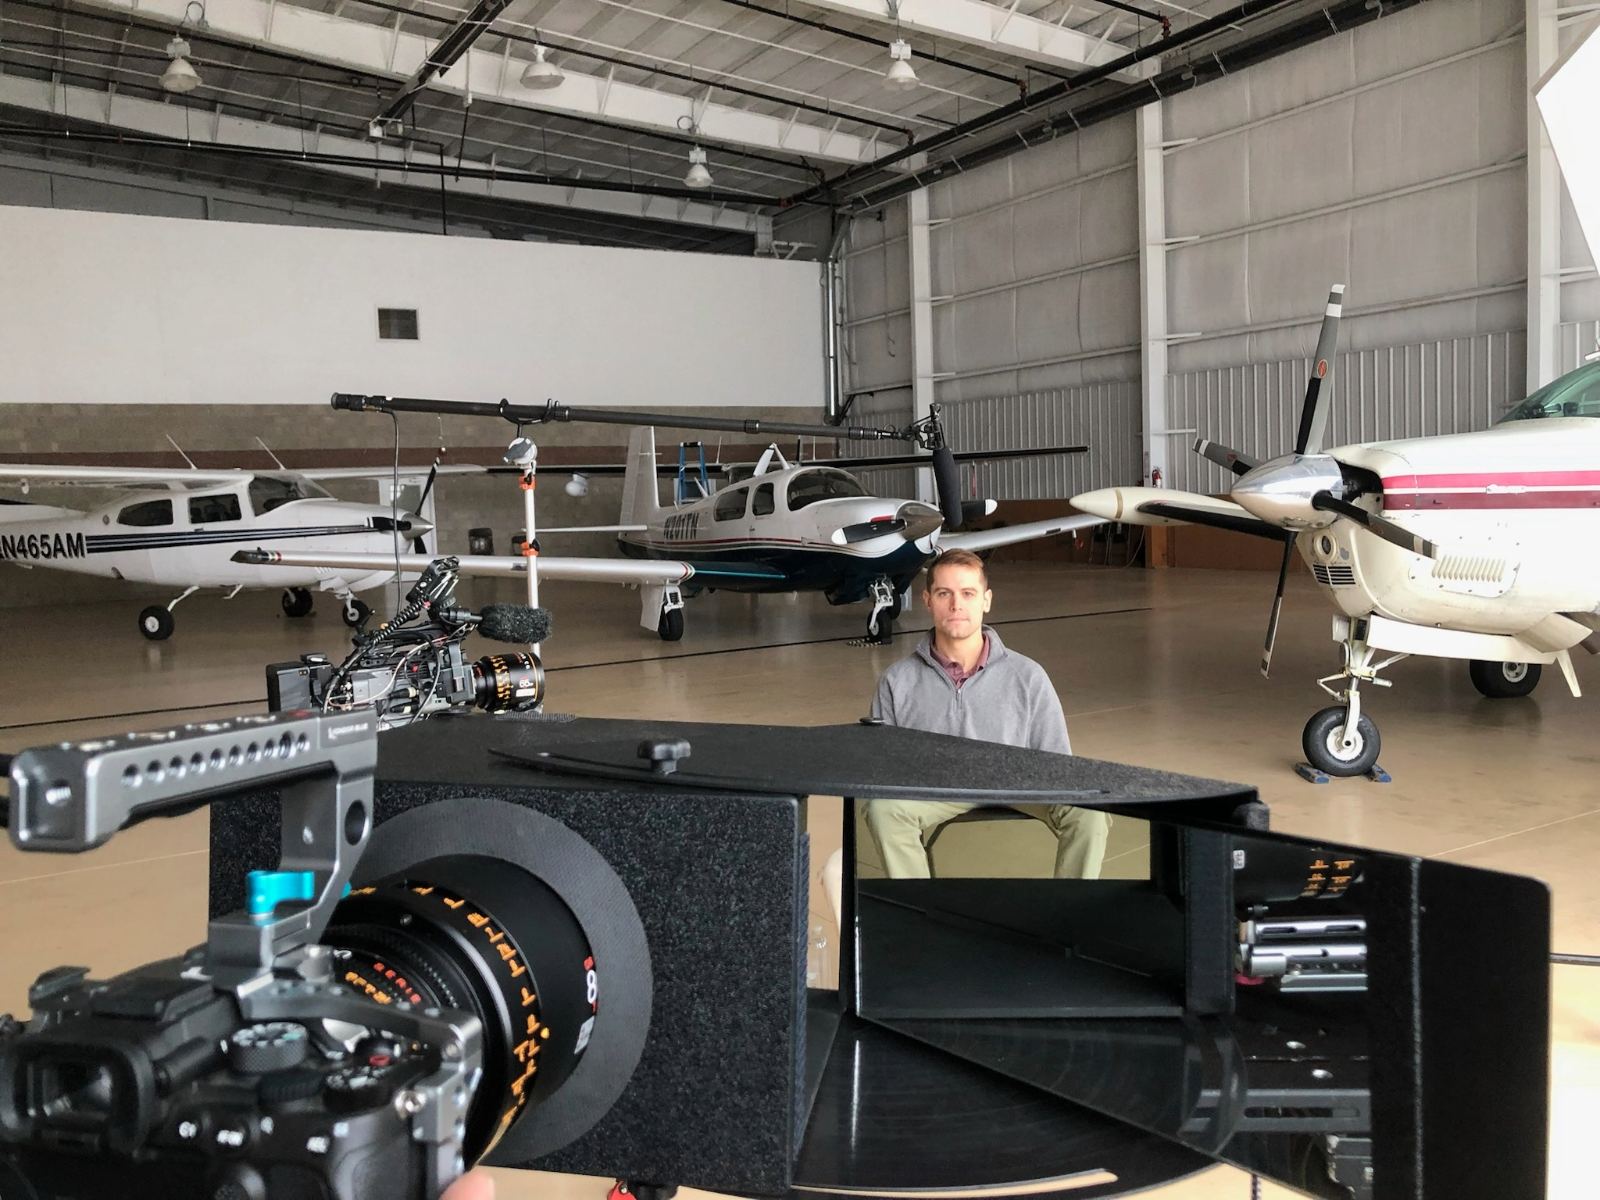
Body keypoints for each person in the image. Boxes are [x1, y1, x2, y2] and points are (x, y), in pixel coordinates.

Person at [864, 548, 1109, 879]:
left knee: (1090, 811)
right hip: (936, 789)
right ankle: (921, 912)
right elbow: (883, 772)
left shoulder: (1028, 675)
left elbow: (1058, 763)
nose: (956, 605)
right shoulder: (897, 681)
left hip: (1019, 783)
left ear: (986, 600)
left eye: (968, 593)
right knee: (882, 810)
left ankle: (1070, 916)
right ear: (927, 600)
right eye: (944, 593)